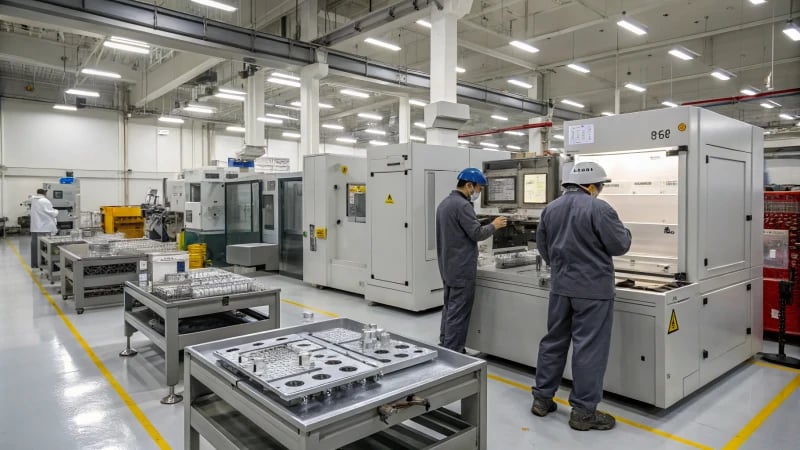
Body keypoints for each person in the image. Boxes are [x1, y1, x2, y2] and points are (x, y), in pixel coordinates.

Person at [530, 161, 631, 431]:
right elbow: (619, 245)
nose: (599, 191)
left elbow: (543, 246)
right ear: (591, 186)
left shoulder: (550, 208)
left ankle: (541, 399)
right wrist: (628, 233)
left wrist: (562, 267)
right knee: (589, 348)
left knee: (553, 341)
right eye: (600, 186)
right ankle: (584, 413)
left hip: (561, 287)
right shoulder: (600, 208)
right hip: (593, 291)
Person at [436, 168, 507, 353]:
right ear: (469, 185)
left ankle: (445, 344)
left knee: (450, 308)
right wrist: (494, 225)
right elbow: (476, 233)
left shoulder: (445, 203)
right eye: (479, 188)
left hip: (447, 266)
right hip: (462, 268)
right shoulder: (463, 206)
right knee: (459, 312)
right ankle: (454, 352)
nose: (479, 192)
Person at [30, 188, 59, 269]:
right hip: (44, 227)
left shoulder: (34, 200)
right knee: (45, 246)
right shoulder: (45, 201)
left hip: (35, 227)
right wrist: (57, 211)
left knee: (35, 245)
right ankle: (45, 263)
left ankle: (35, 263)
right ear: (45, 193)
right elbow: (51, 212)